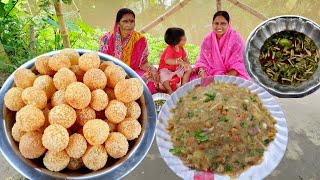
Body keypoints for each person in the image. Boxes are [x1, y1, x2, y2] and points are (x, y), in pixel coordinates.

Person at [99, 8, 159, 94]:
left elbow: (143, 63)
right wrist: (116, 74)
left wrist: (152, 68)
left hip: (133, 72)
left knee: (149, 76)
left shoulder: (140, 39)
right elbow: (102, 63)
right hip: (112, 73)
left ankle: (139, 97)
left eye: (132, 21)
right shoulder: (106, 39)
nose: (129, 25)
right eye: (125, 21)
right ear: (118, 23)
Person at [194, 11, 250, 80]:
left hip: (232, 72)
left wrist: (226, 79)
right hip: (211, 71)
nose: (219, 27)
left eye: (223, 23)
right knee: (196, 82)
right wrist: (201, 71)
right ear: (212, 24)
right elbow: (203, 60)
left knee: (239, 85)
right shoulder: (207, 39)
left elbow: (239, 62)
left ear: (228, 24)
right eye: (216, 23)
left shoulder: (236, 38)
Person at [158, 28, 192, 94]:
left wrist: (188, 65)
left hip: (176, 68)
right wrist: (179, 62)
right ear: (177, 42)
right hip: (166, 70)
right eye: (184, 39)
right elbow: (167, 61)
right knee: (162, 77)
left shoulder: (181, 48)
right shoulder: (169, 49)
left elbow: (185, 58)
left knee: (189, 69)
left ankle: (183, 86)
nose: (186, 39)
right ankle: (168, 89)